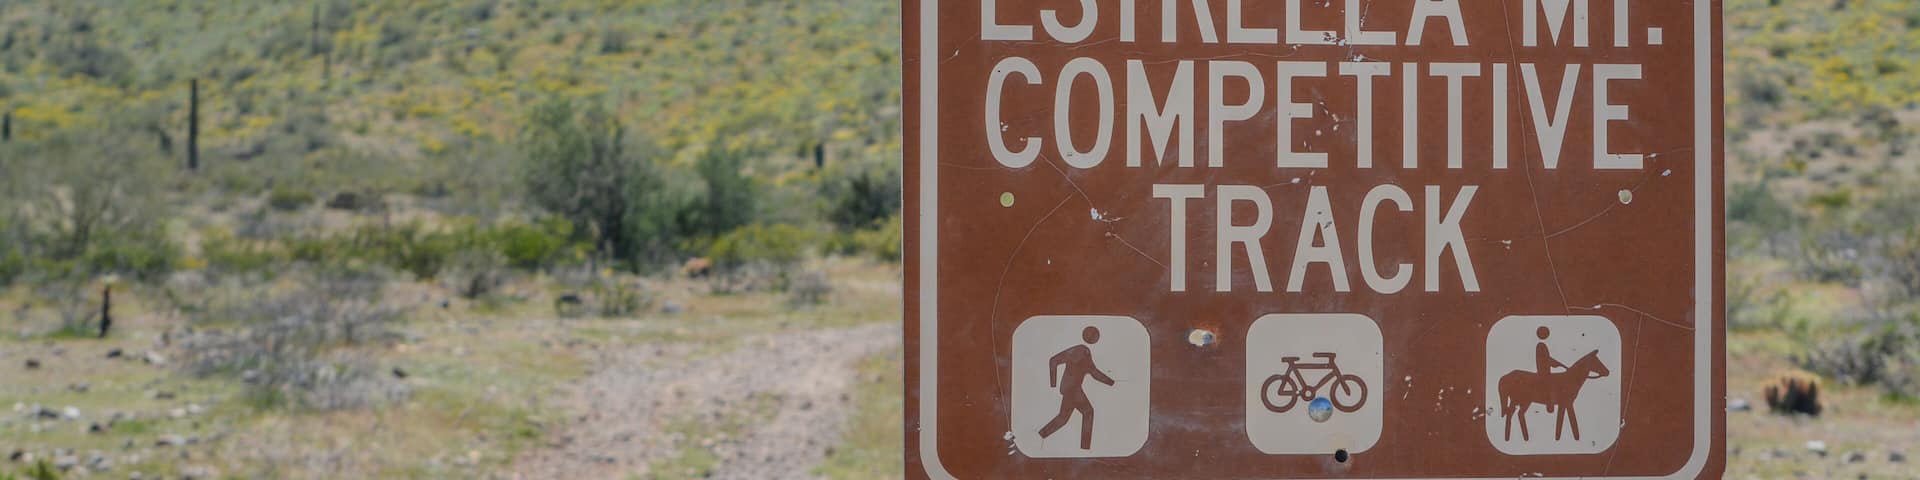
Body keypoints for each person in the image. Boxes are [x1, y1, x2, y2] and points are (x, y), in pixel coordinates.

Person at [1037, 326, 1116, 450]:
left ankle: (1041, 434)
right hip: (1072, 390)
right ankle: (1085, 448)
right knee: (1087, 412)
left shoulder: (1085, 354)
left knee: (1063, 418)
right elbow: (1053, 361)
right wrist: (1053, 384)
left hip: (1072, 390)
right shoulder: (1080, 350)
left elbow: (1094, 373)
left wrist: (1111, 382)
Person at [1535, 326, 1566, 413]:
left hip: (1545, 371)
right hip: (1543, 372)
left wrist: (1556, 363)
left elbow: (1548, 358)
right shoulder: (1541, 345)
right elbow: (1547, 359)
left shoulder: (1541, 345)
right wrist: (1556, 363)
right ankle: (1549, 398)